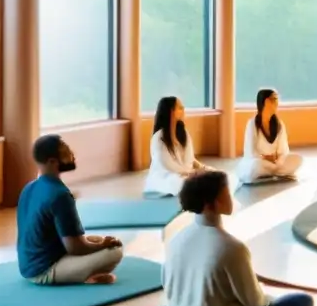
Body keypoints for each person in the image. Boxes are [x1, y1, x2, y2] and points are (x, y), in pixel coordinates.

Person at [164, 169, 315, 306]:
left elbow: (168, 288)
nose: (231, 196)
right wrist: (266, 295)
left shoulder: (176, 239)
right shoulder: (231, 247)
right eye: (226, 192)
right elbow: (255, 303)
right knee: (302, 302)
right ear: (212, 203)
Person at [17, 134, 123, 285]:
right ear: (52, 161)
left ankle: (84, 270)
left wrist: (99, 243)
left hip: (27, 265)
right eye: (65, 152)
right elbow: (75, 248)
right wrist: (103, 246)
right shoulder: (60, 195)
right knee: (114, 251)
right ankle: (86, 277)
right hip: (43, 270)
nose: (72, 155)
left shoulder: (28, 188)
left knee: (96, 239)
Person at [237, 88, 302, 183]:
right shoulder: (252, 124)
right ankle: (274, 173)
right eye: (275, 99)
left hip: (276, 164)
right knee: (255, 166)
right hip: (259, 162)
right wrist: (264, 157)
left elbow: (284, 151)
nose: (278, 103)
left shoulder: (279, 124)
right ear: (267, 101)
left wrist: (277, 160)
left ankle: (272, 173)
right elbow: (250, 152)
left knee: (298, 159)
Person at [144, 96, 204, 196]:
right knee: (177, 182)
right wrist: (190, 173)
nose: (183, 110)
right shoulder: (158, 138)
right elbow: (166, 164)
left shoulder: (183, 133)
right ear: (171, 112)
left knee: (219, 176)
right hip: (166, 177)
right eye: (180, 108)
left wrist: (193, 171)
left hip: (186, 173)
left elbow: (189, 158)